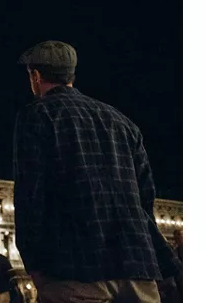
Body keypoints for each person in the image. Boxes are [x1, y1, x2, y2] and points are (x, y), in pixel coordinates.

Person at [14, 41, 182, 303]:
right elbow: (144, 203)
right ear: (72, 75)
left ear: (35, 76)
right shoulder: (122, 122)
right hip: (137, 267)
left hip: (75, 269)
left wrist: (33, 262)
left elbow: (31, 197)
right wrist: (164, 263)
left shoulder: (37, 115)